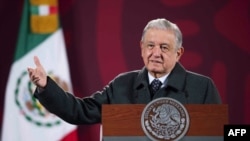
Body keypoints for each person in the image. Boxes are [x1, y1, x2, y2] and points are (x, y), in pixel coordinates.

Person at [27, 18, 221, 125]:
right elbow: (80, 111)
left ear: (178, 53)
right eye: (150, 45)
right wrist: (46, 86)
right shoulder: (122, 84)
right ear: (142, 48)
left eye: (164, 47)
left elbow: (220, 133)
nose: (155, 53)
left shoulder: (202, 87)